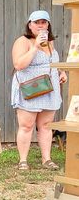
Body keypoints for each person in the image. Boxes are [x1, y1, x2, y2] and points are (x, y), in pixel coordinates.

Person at [11, 10, 67, 171]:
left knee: (46, 125)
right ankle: (23, 160)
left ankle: (46, 159)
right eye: (37, 22)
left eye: (44, 22)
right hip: (31, 88)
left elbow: (51, 63)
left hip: (49, 89)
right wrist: (35, 46)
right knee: (26, 125)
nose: (41, 25)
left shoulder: (50, 42)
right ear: (30, 25)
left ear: (48, 24)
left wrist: (60, 72)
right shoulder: (23, 41)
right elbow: (19, 65)